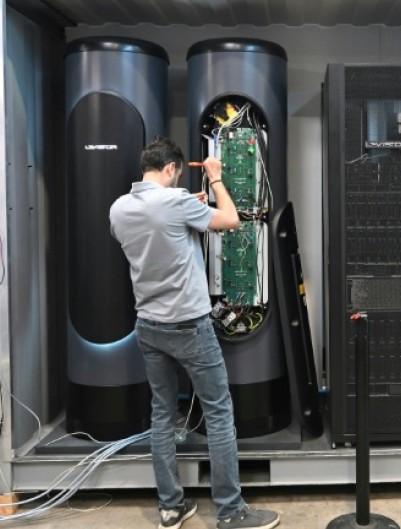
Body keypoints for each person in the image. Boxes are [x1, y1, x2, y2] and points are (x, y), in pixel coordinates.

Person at [109, 137, 280, 529]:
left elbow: (153, 237)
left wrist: (187, 209)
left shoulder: (119, 209)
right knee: (218, 412)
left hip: (148, 327)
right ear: (171, 169)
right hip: (189, 325)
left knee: (162, 415)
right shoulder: (174, 202)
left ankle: (171, 507)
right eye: (177, 174)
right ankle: (231, 510)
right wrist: (217, 180)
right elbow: (233, 220)